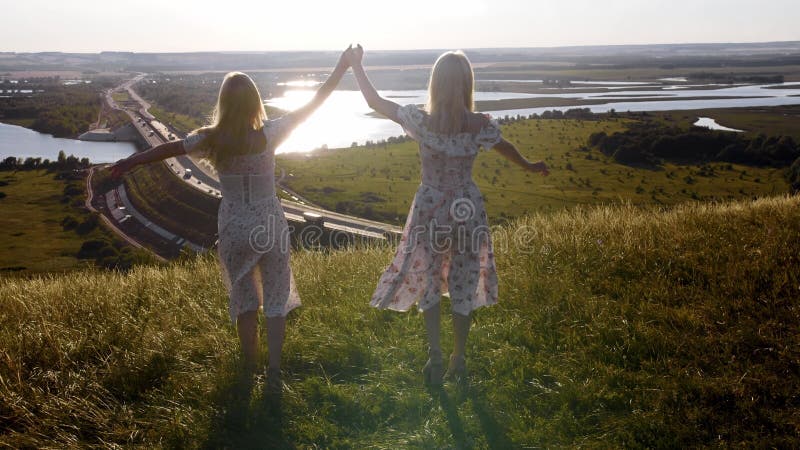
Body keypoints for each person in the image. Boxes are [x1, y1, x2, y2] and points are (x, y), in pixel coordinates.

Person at [109, 49, 351, 390]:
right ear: (255, 102)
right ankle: (274, 374)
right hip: (269, 225)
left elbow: (167, 149)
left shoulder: (210, 138)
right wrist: (342, 66)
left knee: (246, 301)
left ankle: (250, 370)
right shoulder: (271, 133)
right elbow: (315, 102)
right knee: (276, 299)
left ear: (224, 103)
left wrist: (130, 163)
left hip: (235, 227)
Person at [345, 45, 549, 385]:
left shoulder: (421, 121)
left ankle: (435, 356)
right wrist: (529, 165)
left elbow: (375, 103)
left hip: (430, 208)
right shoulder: (479, 125)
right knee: (464, 281)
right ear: (467, 84)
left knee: (429, 279)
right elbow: (506, 147)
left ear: (434, 84)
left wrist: (355, 66)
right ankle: (459, 358)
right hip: (467, 209)